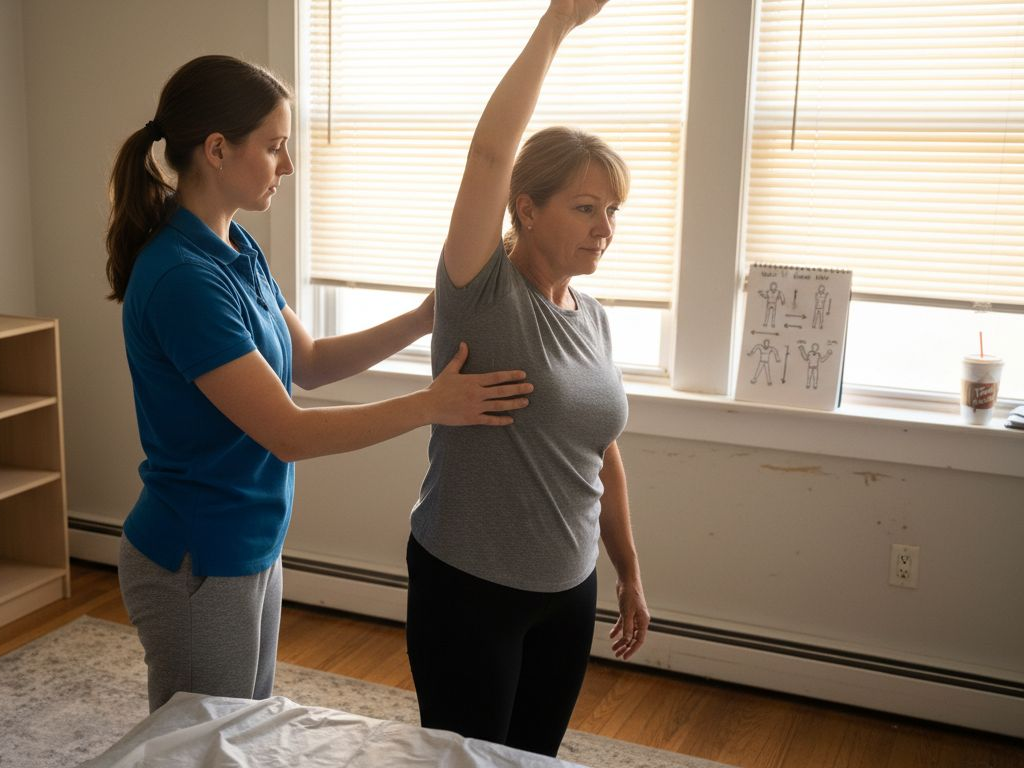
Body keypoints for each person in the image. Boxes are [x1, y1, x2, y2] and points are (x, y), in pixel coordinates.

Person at [104, 55, 535, 713]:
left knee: (239, 731)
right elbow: (289, 431)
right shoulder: (183, 279)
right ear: (217, 150)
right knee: (196, 745)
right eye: (275, 146)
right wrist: (431, 406)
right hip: (194, 556)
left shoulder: (235, 248)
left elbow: (308, 361)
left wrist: (428, 315)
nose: (289, 164)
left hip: (248, 539)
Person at [404, 0, 650, 757]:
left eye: (611, 209)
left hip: (566, 591)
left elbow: (600, 452)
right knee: (468, 758)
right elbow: (487, 153)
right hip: (468, 587)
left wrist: (629, 573)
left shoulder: (595, 316)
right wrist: (558, 23)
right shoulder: (479, 291)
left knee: (533, 756)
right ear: (526, 208)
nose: (604, 227)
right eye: (584, 207)